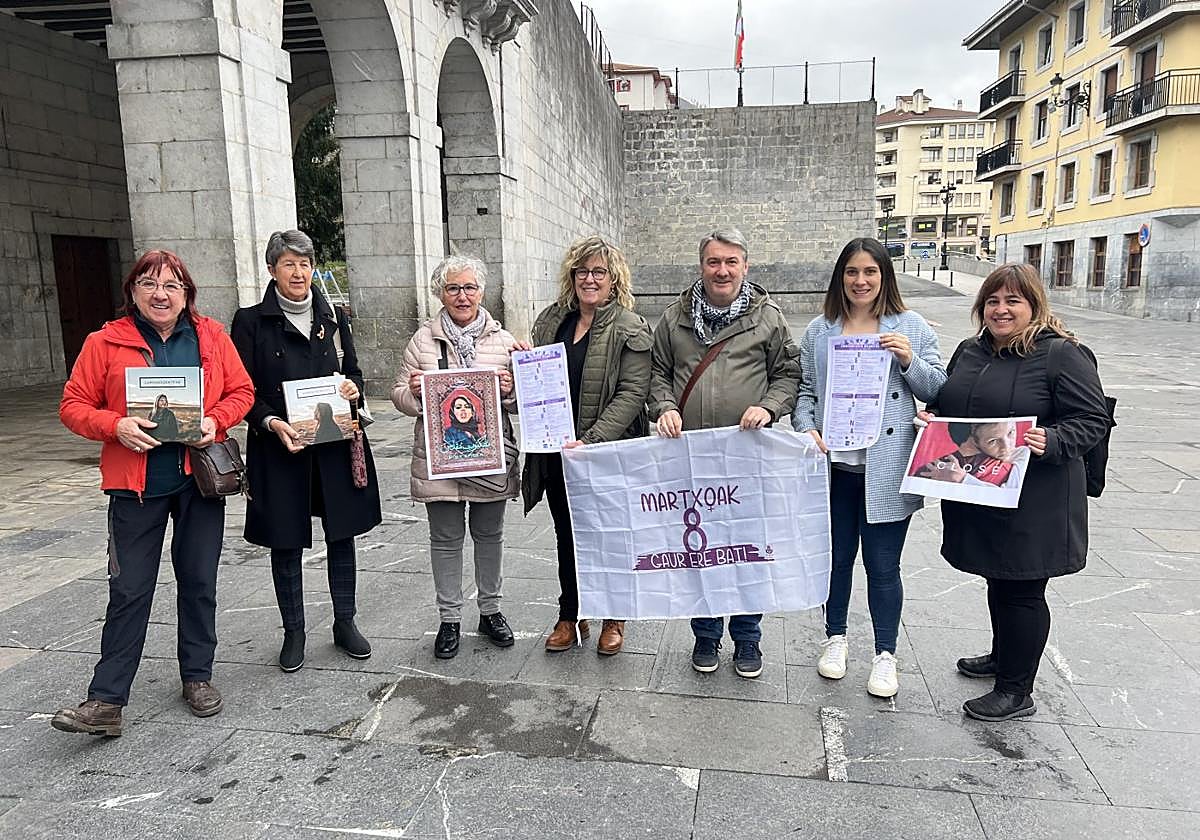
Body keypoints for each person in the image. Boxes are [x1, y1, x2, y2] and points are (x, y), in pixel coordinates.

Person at [52, 250, 254, 737]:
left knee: (199, 581)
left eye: (171, 285)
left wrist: (215, 420)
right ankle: (106, 700)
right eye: (148, 283)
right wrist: (114, 424)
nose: (160, 294)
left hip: (198, 483)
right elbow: (72, 405)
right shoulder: (104, 342)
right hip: (134, 489)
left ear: (187, 294)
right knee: (128, 590)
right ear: (133, 292)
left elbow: (242, 392)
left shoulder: (210, 337)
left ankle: (198, 677)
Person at [926, 263, 1109, 721]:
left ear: (1033, 306)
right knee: (999, 577)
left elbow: (1091, 420)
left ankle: (1016, 689)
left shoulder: (1062, 355)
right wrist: (932, 417)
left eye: (1013, 301)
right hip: (986, 491)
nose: (1001, 310)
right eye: (993, 301)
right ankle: (1002, 655)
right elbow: (951, 402)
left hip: (1037, 498)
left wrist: (1055, 440)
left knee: (1024, 588)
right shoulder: (970, 351)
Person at [792, 237, 946, 698]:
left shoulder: (911, 327)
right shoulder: (821, 331)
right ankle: (835, 638)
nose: (861, 281)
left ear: (885, 276)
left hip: (885, 465)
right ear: (841, 278)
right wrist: (805, 428)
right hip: (836, 467)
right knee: (836, 561)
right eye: (852, 272)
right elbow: (805, 393)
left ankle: (885, 654)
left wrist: (908, 360)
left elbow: (938, 388)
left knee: (883, 566)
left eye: (870, 272)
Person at [649, 228, 800, 679]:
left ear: (745, 266)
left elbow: (789, 374)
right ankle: (707, 634)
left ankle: (748, 639)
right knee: (700, 549)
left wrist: (769, 408)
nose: (722, 271)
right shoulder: (675, 317)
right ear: (702, 266)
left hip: (746, 458)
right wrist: (664, 406)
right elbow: (657, 372)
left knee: (746, 549)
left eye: (731, 262)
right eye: (714, 262)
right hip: (691, 458)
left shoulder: (768, 317)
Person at [231, 230, 381, 673]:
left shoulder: (334, 316)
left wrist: (354, 388)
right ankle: (294, 631)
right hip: (280, 445)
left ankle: (344, 622)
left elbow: (351, 372)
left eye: (305, 263)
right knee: (285, 539)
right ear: (272, 269)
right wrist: (270, 422)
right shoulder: (251, 322)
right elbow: (241, 389)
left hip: (333, 443)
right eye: (289, 264)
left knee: (342, 532)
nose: (298, 272)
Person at [522, 235, 652, 656]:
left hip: (604, 454)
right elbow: (536, 378)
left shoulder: (630, 326)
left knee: (610, 536)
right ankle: (571, 614)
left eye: (599, 272)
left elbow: (633, 393)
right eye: (582, 271)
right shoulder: (550, 321)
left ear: (614, 279)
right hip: (558, 451)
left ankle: (614, 616)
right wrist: (521, 366)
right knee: (567, 535)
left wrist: (592, 440)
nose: (590, 279)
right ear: (571, 276)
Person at [392, 255, 520, 660]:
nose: (462, 296)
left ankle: (491, 610)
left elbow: (523, 401)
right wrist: (413, 393)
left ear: (482, 291)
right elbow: (397, 394)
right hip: (439, 459)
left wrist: (509, 389)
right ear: (440, 294)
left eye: (469, 287)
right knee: (445, 539)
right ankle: (449, 619)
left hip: (489, 457)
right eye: (453, 288)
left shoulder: (504, 341)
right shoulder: (422, 340)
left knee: (489, 536)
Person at [916, 420, 1030, 488]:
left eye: (1011, 432)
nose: (1006, 446)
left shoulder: (1022, 453)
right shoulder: (938, 467)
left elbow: (1009, 493)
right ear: (974, 442)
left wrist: (963, 479)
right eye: (993, 441)